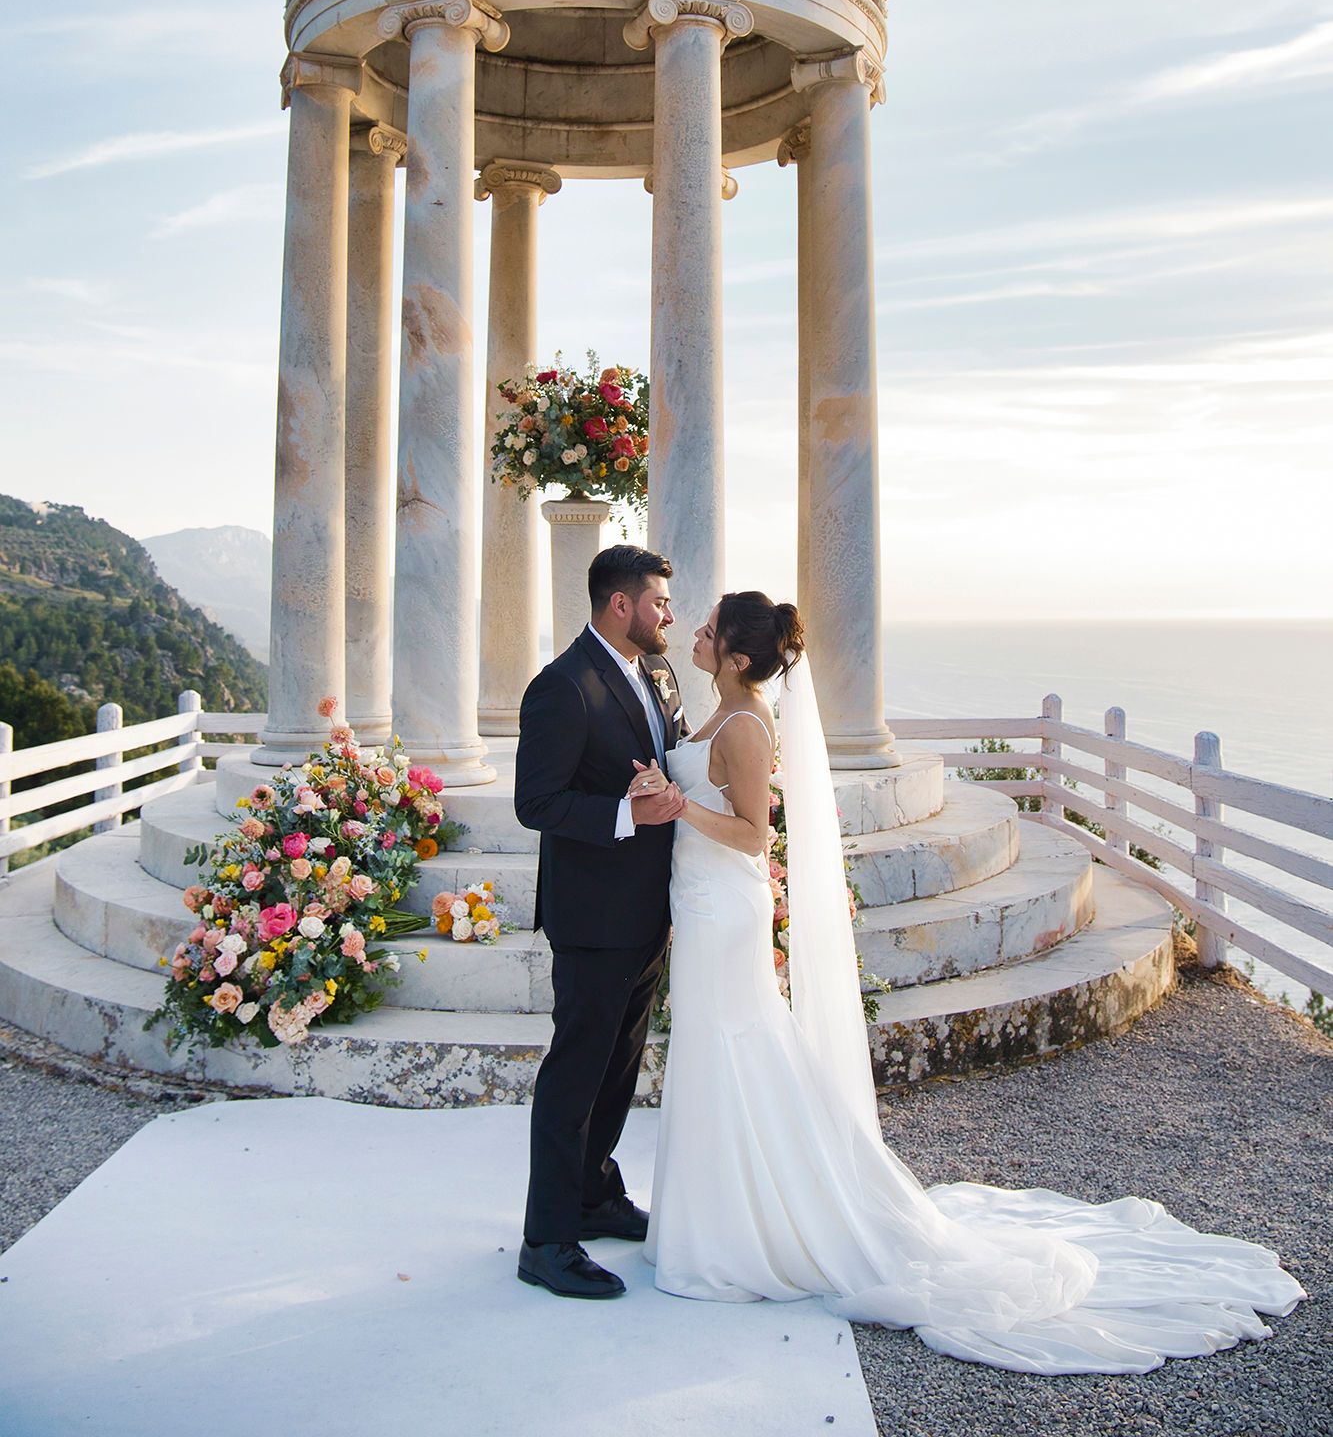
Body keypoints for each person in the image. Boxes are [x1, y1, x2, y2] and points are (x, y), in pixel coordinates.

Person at [636, 590, 1306, 1373]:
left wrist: (676, 802)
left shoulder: (749, 724)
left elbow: (753, 835)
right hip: (701, 900)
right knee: (722, 1049)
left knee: (734, 1043)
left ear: (739, 658)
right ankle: (720, 1217)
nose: (697, 633)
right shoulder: (719, 709)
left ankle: (744, 1233)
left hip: (726, 905)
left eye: (711, 629)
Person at [513, 543, 689, 1300]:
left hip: (650, 906)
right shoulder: (561, 687)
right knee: (575, 1073)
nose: (668, 615)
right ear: (620, 604)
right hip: (591, 913)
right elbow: (536, 803)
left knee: (620, 1065)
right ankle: (545, 1239)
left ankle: (593, 1193)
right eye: (658, 602)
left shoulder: (657, 672)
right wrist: (625, 811)